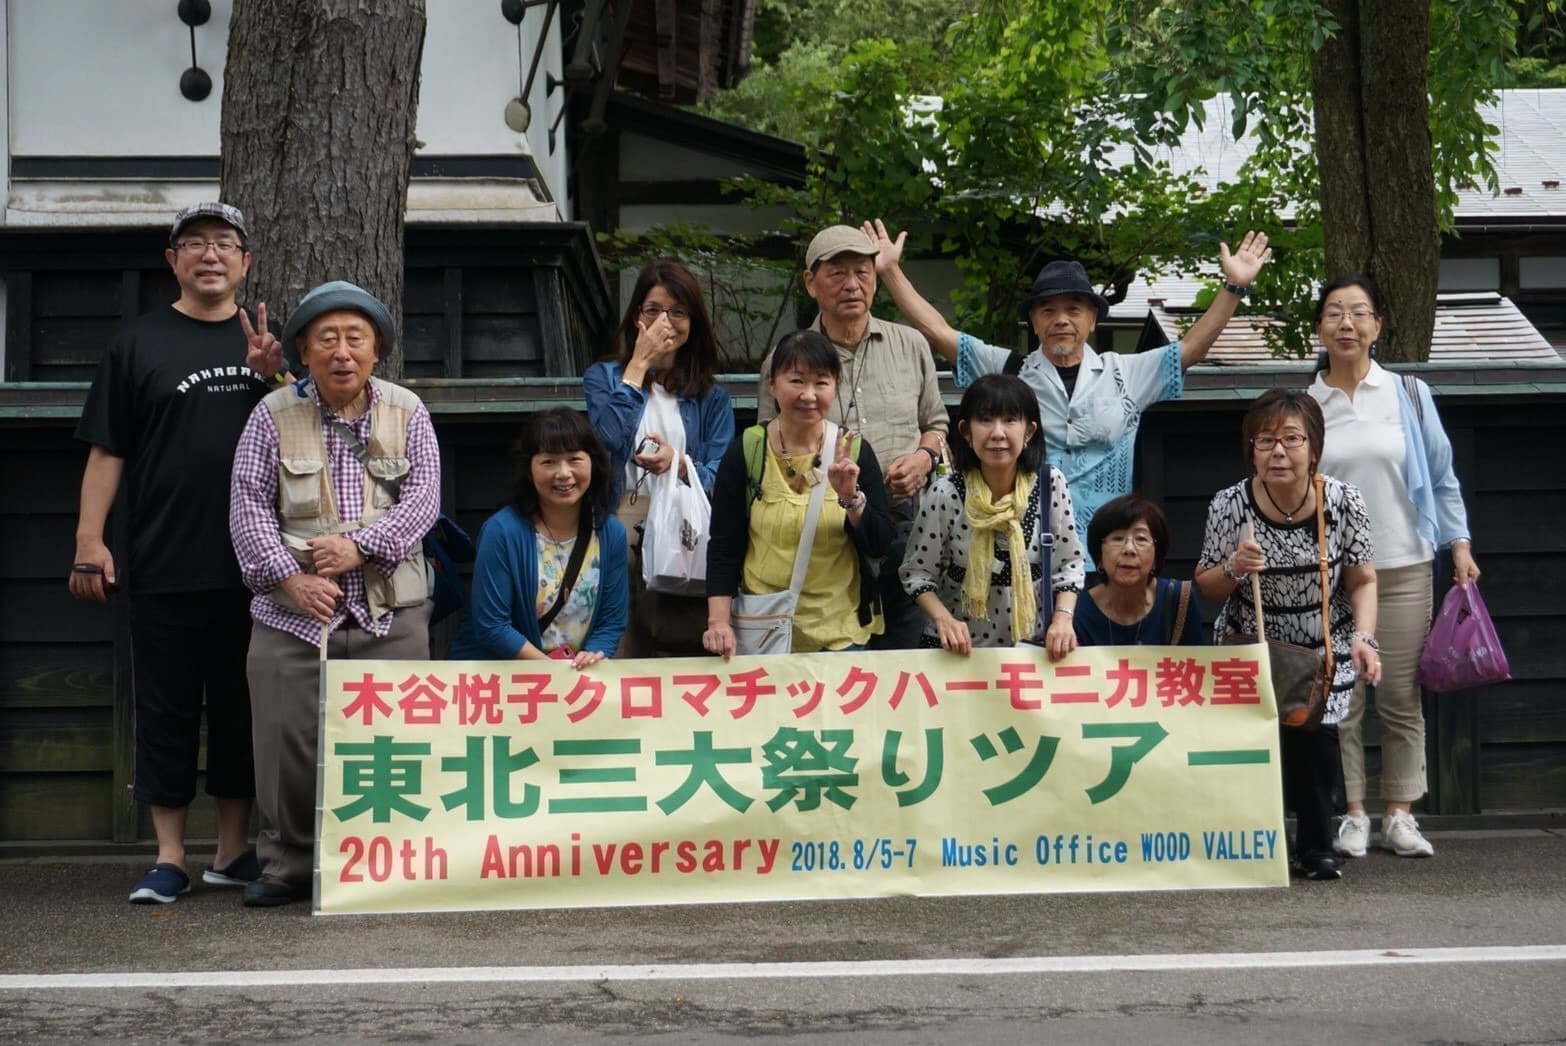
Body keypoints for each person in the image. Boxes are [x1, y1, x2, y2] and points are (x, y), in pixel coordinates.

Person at [68, 202, 282, 905]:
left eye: (224, 243)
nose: (209, 254)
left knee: (241, 708)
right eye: (194, 243)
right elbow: (108, 448)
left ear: (245, 261)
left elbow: (309, 433)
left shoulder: (269, 347)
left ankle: (231, 850)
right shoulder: (137, 344)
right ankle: (168, 855)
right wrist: (89, 541)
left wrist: (273, 378)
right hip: (161, 558)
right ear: (174, 261)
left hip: (257, 566)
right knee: (163, 709)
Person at [862, 218, 1272, 568]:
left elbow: (1191, 349)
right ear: (1034, 323)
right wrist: (890, 273)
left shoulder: (1125, 372)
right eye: (1048, 310)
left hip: (1109, 554)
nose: (1061, 320)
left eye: (1074, 309)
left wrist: (1232, 287)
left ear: (1093, 318)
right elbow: (938, 332)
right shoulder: (1011, 372)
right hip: (1024, 553)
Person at [229, 280, 439, 907]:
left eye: (356, 338)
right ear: (302, 351)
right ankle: (290, 862)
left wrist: (363, 547)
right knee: (285, 740)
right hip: (290, 612)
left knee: (395, 744)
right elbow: (246, 506)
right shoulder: (270, 415)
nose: (342, 351)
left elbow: (425, 498)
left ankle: (391, 861)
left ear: (377, 350)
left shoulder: (408, 410)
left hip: (387, 610)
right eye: (327, 339)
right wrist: (288, 578)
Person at [1308, 276, 1480, 861]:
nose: (1347, 323)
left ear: (1378, 326)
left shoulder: (1408, 393)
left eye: (1359, 313)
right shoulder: (1307, 405)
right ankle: (1353, 812)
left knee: (1401, 696)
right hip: (1332, 575)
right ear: (1320, 329)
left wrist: (1458, 542)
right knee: (1343, 697)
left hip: (1405, 563)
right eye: (1334, 313)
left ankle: (1400, 814)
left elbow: (1441, 476)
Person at [1195, 389, 1380, 881]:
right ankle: (1258, 840)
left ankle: (1317, 845)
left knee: (1316, 740)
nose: (1278, 451)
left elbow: (1362, 579)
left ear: (1313, 447)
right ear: (1251, 448)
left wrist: (1365, 637)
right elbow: (1205, 585)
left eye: (1292, 439)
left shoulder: (1343, 502)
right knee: (1260, 741)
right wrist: (1233, 567)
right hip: (1250, 644)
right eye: (1266, 440)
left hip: (1324, 644)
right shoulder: (1230, 504)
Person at [755, 225, 948, 649]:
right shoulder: (783, 359)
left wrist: (922, 458)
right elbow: (768, 446)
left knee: (903, 652)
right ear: (810, 282)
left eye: (862, 272)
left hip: (903, 527)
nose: (852, 285)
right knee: (832, 661)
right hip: (822, 537)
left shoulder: (911, 344)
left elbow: (936, 424)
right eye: (836, 273)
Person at [704, 329, 895, 659]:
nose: (809, 394)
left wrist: (851, 499)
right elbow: (724, 545)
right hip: (764, 631)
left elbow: (880, 545)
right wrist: (718, 622)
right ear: (772, 384)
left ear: (835, 387)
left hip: (840, 634)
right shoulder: (747, 451)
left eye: (821, 382)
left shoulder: (855, 452)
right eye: (796, 381)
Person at [582, 260, 733, 656]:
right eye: (654, 310)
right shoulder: (603, 378)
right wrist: (638, 365)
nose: (666, 320)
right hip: (618, 519)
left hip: (685, 526)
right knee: (621, 645)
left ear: (693, 323)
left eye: (679, 311)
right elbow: (603, 444)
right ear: (637, 318)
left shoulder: (712, 398)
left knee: (680, 643)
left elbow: (719, 473)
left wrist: (677, 464)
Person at [900, 374, 1084, 658]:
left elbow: (1069, 563)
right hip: (957, 653)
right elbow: (916, 573)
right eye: (985, 420)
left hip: (1031, 650)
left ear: (1029, 432)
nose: (997, 433)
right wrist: (943, 620)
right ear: (965, 431)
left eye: (1010, 420)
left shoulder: (1051, 484)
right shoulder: (945, 493)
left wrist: (1062, 618)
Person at [450, 408, 628, 666]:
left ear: (593, 462)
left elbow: (612, 621)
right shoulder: (502, 531)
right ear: (529, 469)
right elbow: (492, 625)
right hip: (503, 683)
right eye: (549, 461)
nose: (563, 473)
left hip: (572, 681)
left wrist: (593, 655)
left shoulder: (611, 533)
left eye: (574, 459)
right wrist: (551, 670)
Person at [1073, 494, 1204, 647]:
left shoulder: (1179, 601)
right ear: (1099, 554)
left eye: (1141, 539)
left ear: (1156, 555)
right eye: (1117, 538)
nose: (1129, 549)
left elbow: (1195, 664)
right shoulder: (1077, 609)